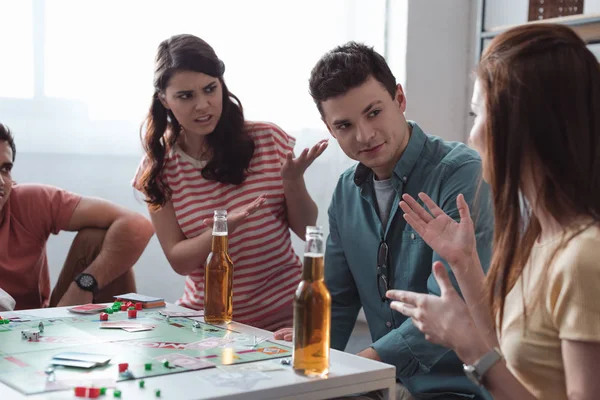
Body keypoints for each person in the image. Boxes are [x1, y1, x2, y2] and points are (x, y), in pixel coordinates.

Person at [387, 24, 600, 400]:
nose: (471, 135)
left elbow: (492, 358)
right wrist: (465, 262)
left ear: (521, 124)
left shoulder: (584, 256)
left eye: (477, 114)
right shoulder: (539, 236)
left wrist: (469, 347)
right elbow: (510, 352)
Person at [277, 42, 494, 399]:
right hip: (383, 381)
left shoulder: (461, 173)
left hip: (461, 386)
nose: (364, 135)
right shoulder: (346, 190)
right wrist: (309, 342)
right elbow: (338, 298)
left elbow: (448, 305)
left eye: (374, 113)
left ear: (399, 99)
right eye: (344, 125)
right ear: (329, 128)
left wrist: (364, 364)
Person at [133, 34, 326, 332]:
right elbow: (179, 260)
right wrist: (221, 230)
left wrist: (293, 181)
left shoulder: (267, 139)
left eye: (210, 89)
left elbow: (305, 229)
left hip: (285, 318)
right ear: (164, 100)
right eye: (186, 96)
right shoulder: (158, 169)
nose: (203, 105)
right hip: (209, 320)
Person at [0, 123, 154, 310]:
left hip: (35, 326)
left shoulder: (27, 201)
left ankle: (125, 335)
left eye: (5, 169)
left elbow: (137, 225)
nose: (1, 181)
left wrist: (85, 284)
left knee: (96, 240)